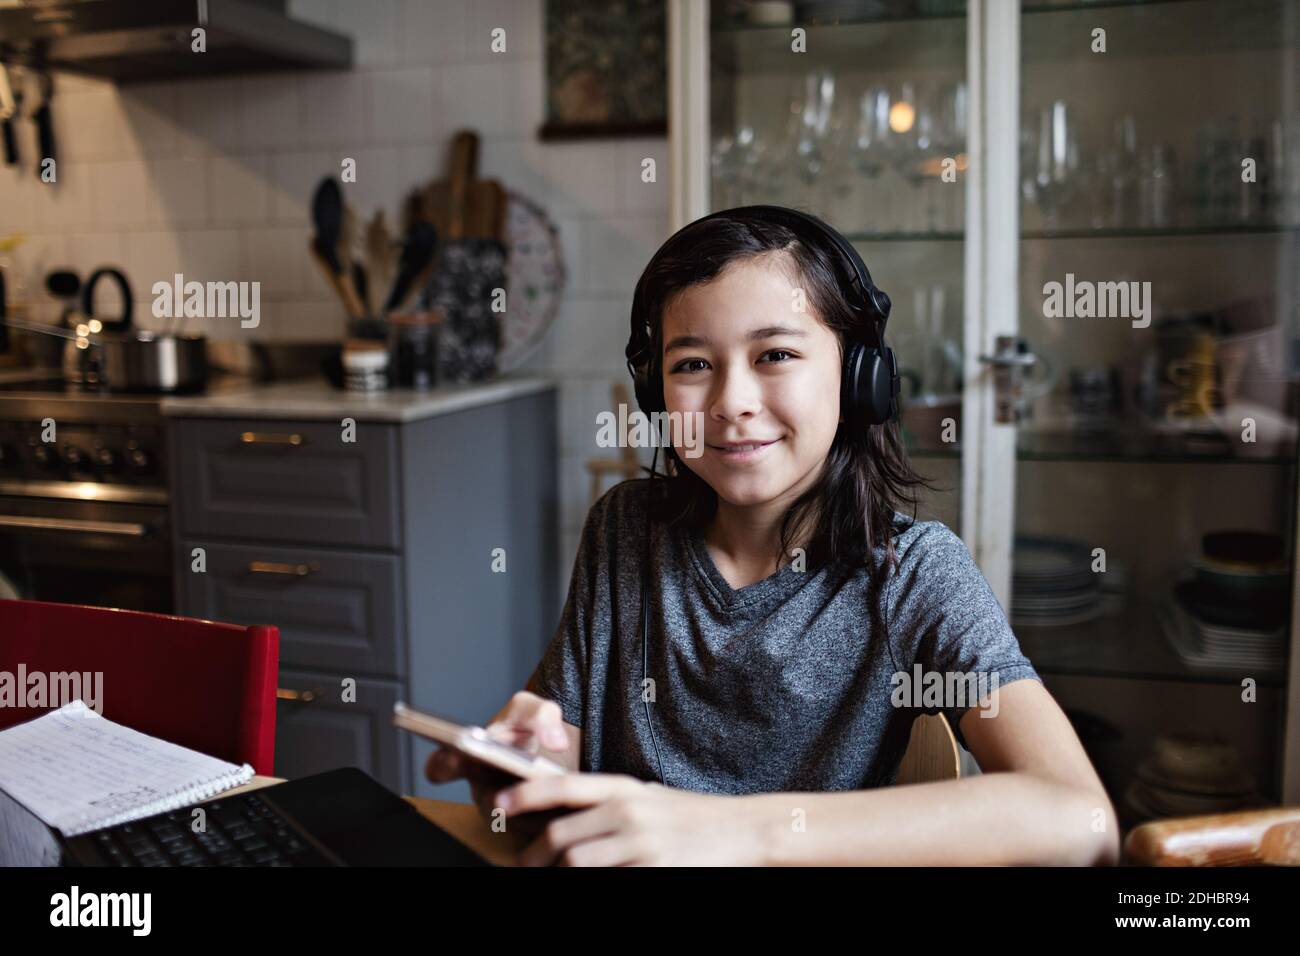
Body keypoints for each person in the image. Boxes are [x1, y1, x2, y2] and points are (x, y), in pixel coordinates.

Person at [428, 206, 1119, 866]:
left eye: (776, 354)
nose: (732, 401)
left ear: (858, 379)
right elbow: (562, 751)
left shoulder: (914, 573)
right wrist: (528, 776)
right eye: (692, 364)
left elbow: (1079, 820)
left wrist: (732, 832)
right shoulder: (624, 528)